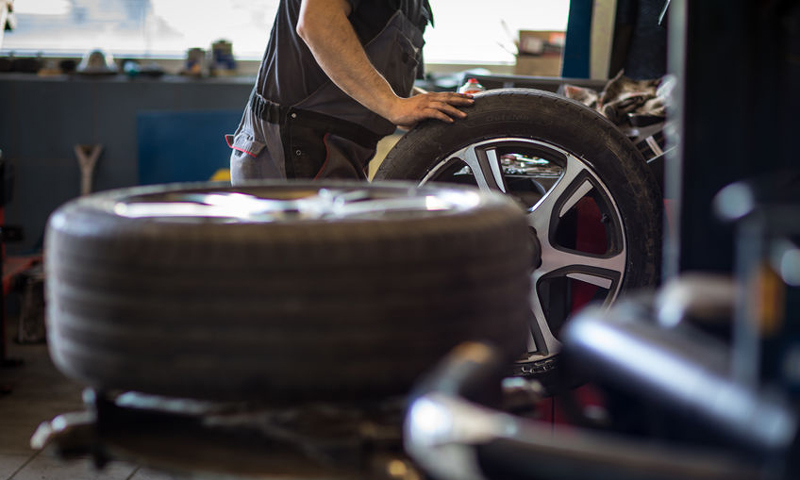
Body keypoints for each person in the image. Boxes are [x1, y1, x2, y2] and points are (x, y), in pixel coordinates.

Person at [226, 0, 474, 183]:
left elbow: (383, 81)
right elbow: (317, 23)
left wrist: (426, 106)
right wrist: (394, 106)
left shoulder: (415, 5)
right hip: (292, 146)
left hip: (341, 150)